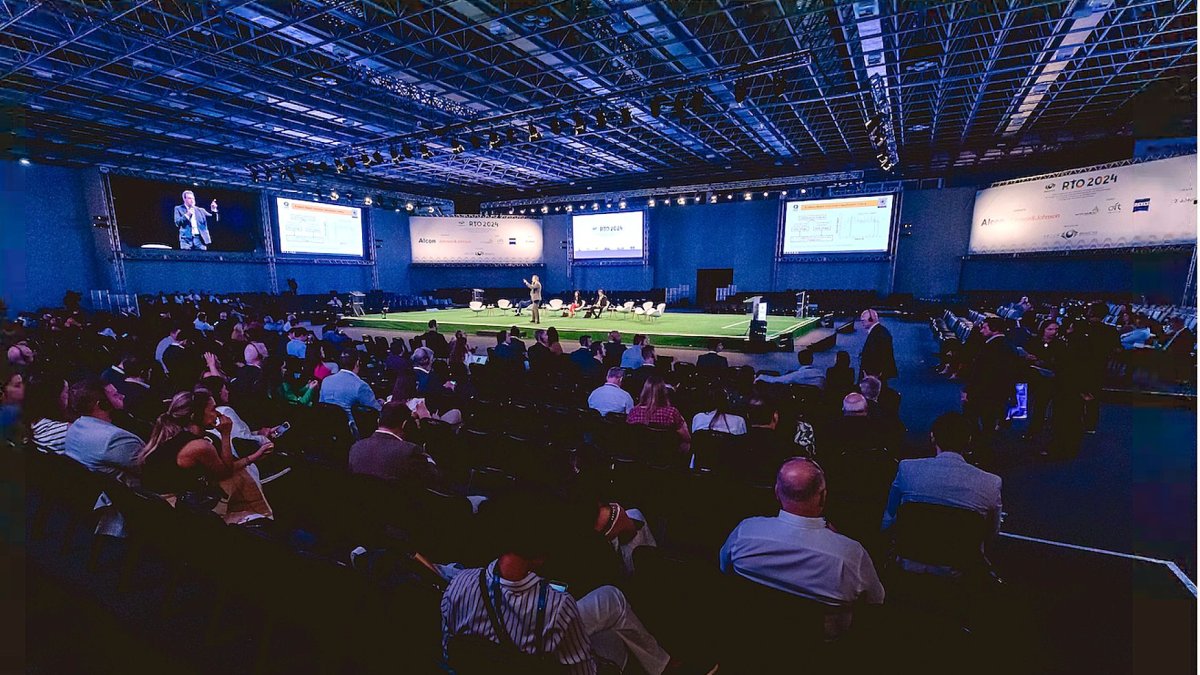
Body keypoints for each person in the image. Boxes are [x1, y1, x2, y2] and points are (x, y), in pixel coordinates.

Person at [441, 492, 677, 675]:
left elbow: (450, 652)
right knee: (612, 617)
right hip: (541, 655)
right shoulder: (556, 607)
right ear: (541, 556)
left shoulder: (459, 584)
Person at [720, 458, 884, 634]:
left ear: (776, 492)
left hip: (748, 639)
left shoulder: (744, 533)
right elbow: (876, 600)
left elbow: (724, 569)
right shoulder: (850, 555)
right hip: (820, 655)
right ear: (823, 495)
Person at [139, 391, 273, 522]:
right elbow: (225, 472)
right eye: (213, 409)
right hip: (173, 507)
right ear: (194, 416)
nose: (218, 413)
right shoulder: (199, 446)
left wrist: (254, 457)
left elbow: (219, 468)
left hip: (172, 499)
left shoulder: (177, 435)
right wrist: (226, 434)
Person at [881, 412, 1003, 538]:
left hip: (912, 553)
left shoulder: (907, 469)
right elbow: (992, 532)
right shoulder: (991, 483)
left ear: (932, 437)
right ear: (969, 440)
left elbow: (890, 515)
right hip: (963, 556)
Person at [63, 378, 143, 484]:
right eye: (116, 395)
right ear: (102, 404)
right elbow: (150, 469)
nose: (122, 396)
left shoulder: (73, 429)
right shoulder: (116, 438)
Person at [961, 317, 1020, 450]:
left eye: (984, 327)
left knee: (972, 418)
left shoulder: (990, 347)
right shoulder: (1008, 345)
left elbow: (979, 373)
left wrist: (967, 391)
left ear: (994, 330)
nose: (981, 330)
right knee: (989, 423)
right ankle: (984, 448)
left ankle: (978, 447)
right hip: (999, 393)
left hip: (984, 392)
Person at [348, 401, 439, 485]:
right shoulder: (411, 451)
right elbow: (435, 479)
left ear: (378, 421)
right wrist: (426, 421)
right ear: (405, 425)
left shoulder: (355, 448)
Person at [1022, 319, 1065, 444]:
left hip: (1049, 378)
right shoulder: (1033, 341)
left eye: (1056, 329)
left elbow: (1061, 362)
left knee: (1041, 404)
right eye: (1050, 329)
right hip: (1031, 375)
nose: (1053, 332)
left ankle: (1035, 430)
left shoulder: (1060, 344)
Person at [626, 375, 690, 454]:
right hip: (664, 455)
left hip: (639, 454)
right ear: (664, 392)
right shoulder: (671, 412)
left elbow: (628, 437)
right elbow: (687, 437)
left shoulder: (634, 412)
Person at [318, 350, 382, 427]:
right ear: (357, 363)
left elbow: (321, 405)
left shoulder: (326, 381)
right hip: (352, 431)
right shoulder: (360, 385)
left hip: (328, 428)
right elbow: (376, 411)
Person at [25, 371, 72, 454]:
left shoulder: (31, 424)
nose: (69, 396)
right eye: (67, 392)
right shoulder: (66, 431)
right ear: (55, 398)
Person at [858, 309, 897, 382]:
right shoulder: (880, 331)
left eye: (863, 320)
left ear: (871, 319)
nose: (862, 323)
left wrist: (872, 376)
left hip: (873, 377)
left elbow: (879, 356)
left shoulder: (878, 334)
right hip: (875, 376)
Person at [755, 349, 824, 389]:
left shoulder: (797, 375)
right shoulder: (821, 374)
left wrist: (761, 377)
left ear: (799, 360)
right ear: (812, 360)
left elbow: (778, 380)